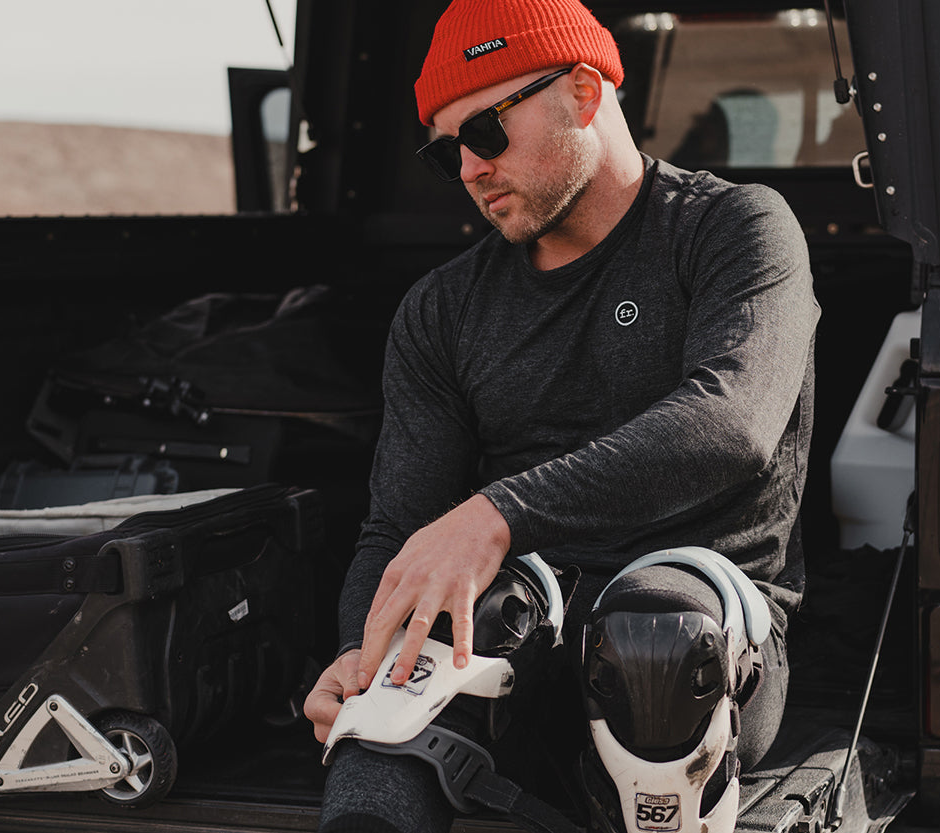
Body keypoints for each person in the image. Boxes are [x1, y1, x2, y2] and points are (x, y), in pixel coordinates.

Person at [304, 1, 820, 830]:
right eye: (445, 151)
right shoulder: (443, 309)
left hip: (695, 648)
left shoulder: (734, 229)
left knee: (655, 633)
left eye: (485, 132)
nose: (469, 169)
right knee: (400, 674)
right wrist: (357, 656)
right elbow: (400, 526)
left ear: (583, 91)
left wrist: (497, 514)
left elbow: (732, 424)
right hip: (521, 637)